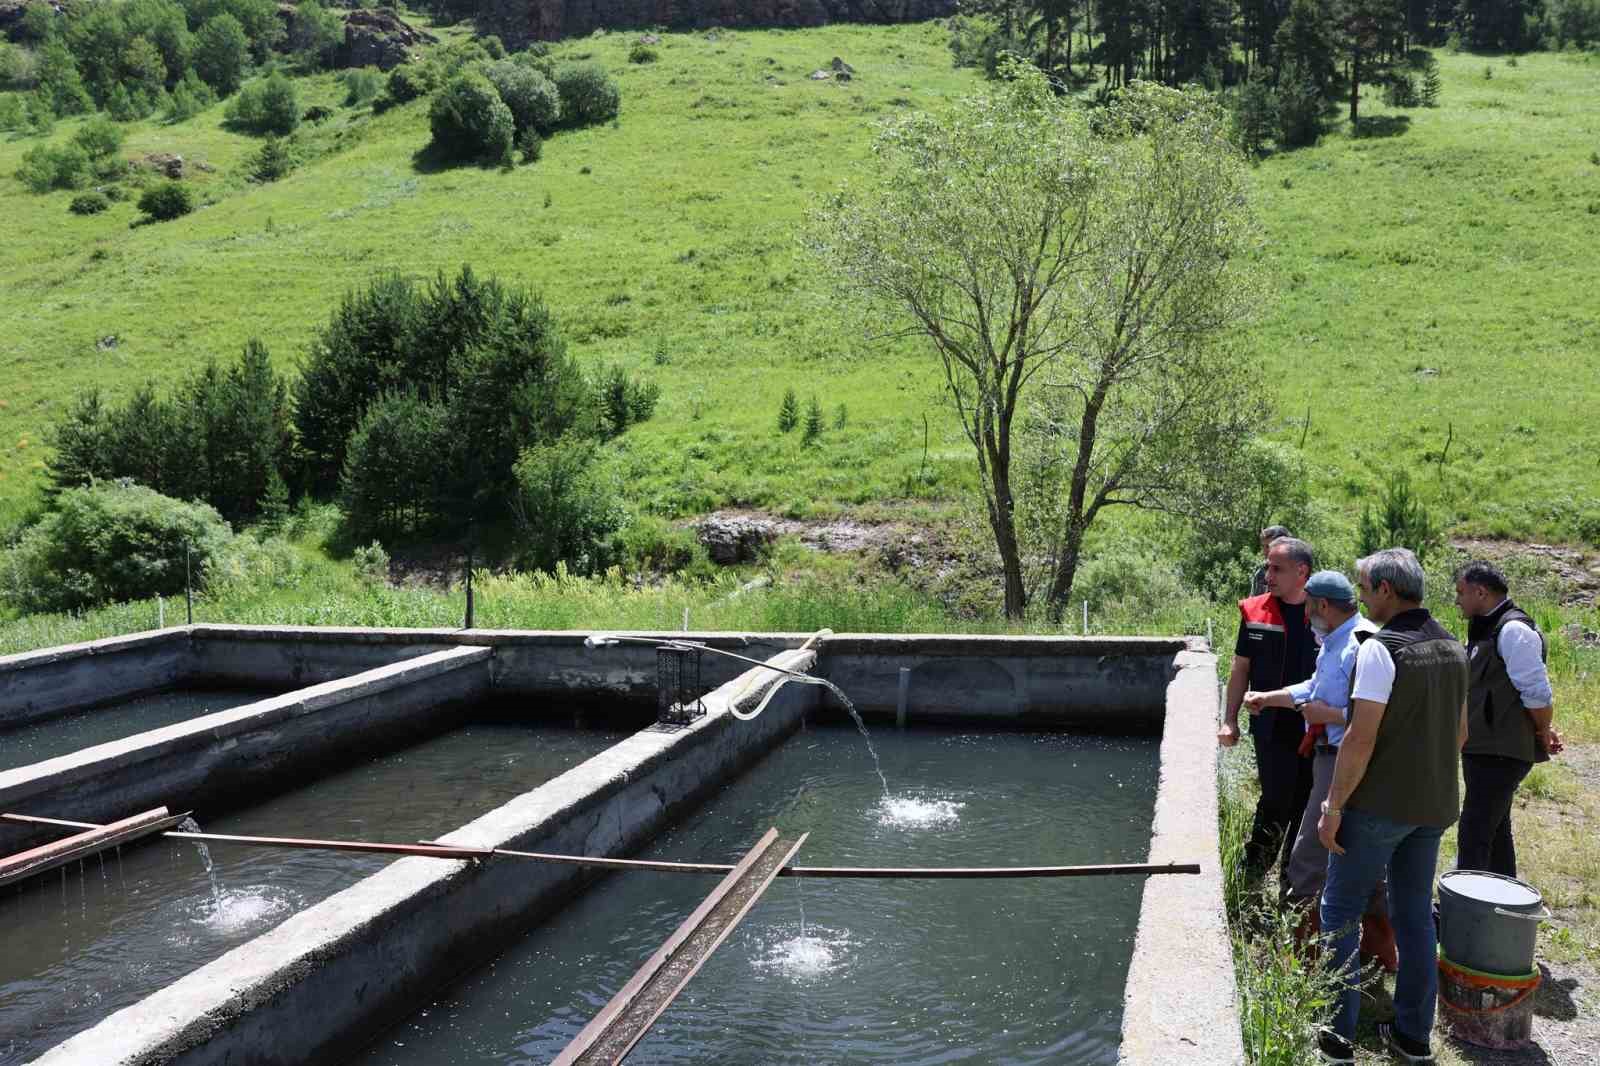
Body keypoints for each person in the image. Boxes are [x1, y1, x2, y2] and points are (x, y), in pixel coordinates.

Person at [1316, 548, 1468, 1065]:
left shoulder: (1381, 650)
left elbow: (1359, 738)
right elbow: (1461, 733)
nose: (1359, 595)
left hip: (1377, 809)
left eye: (1363, 586)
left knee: (1338, 911)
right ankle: (1413, 1038)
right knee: (1415, 920)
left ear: (1385, 589)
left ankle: (1336, 1039)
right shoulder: (1452, 645)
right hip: (1435, 805)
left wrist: (1333, 806)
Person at [1243, 570, 1393, 971]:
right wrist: (1269, 698)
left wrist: (1328, 715)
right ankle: (1378, 952)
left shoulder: (1359, 646)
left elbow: (1374, 714)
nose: (1305, 615)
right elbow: (1314, 686)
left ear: (1323, 605)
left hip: (1342, 759)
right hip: (1334, 756)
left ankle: (1305, 962)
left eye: (1309, 607)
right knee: (1363, 855)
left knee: (1306, 861)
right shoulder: (1337, 641)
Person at [1453, 560, 1563, 878]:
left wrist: (1543, 730)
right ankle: (1501, 911)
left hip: (1500, 753)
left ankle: (1465, 914)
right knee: (1495, 832)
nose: (1457, 600)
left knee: (1474, 834)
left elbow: (1537, 693)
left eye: (1461, 592)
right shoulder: (1486, 628)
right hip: (1486, 749)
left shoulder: (1513, 630)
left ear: (1481, 592)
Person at [1219, 537, 1319, 884]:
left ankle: (1294, 879)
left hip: (1316, 726)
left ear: (1301, 572)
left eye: (1277, 568)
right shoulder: (1255, 610)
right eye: (1267, 567)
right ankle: (1253, 872)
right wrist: (1229, 720)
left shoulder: (1326, 613)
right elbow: (1240, 669)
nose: (1267, 575)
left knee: (1307, 800)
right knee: (1276, 798)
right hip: (1271, 726)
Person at [1250, 525, 1293, 596]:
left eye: (1268, 546)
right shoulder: (1261, 571)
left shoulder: (1297, 570)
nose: (1264, 551)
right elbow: (1253, 601)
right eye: (1263, 546)